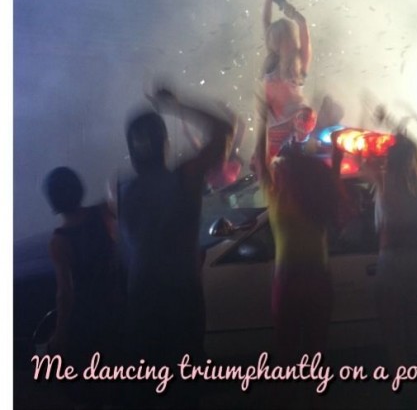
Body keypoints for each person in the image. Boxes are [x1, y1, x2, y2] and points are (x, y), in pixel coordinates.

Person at [118, 86, 234, 407]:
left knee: (147, 388)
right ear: (165, 145)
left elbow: (125, 253)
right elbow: (223, 130)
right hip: (180, 297)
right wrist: (175, 106)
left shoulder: (123, 189)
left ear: (131, 151)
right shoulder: (184, 178)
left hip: (140, 297)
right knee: (183, 387)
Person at [254, 98, 341, 367]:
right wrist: (337, 149)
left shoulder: (276, 196)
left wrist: (262, 120)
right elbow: (334, 178)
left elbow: (260, 161)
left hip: (288, 280)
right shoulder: (320, 196)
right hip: (318, 278)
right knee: (317, 350)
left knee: (286, 352)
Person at [43, 166, 124, 406]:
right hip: (116, 308)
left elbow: (65, 293)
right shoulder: (103, 214)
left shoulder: (59, 242)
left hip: (86, 319)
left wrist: (60, 333)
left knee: (89, 389)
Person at [361, 131, 417, 372]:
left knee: (392, 331)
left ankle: (403, 380)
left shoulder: (385, 183)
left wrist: (367, 143)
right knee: (414, 326)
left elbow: (364, 163)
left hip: (393, 262)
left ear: (391, 160)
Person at [261, 0, 313, 157]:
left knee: (305, 117)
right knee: (271, 165)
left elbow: (303, 24)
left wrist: (289, 9)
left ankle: (299, 149)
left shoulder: (300, 62)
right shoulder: (271, 62)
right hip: (275, 128)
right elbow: (265, 20)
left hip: (297, 124)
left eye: (279, 37)